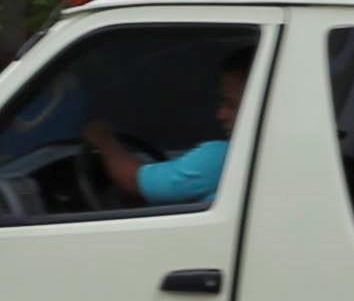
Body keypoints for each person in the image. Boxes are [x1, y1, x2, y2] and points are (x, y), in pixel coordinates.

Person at [80, 53, 246, 208]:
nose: (221, 114)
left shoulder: (224, 158)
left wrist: (104, 140)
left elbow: (133, 181)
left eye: (231, 104)